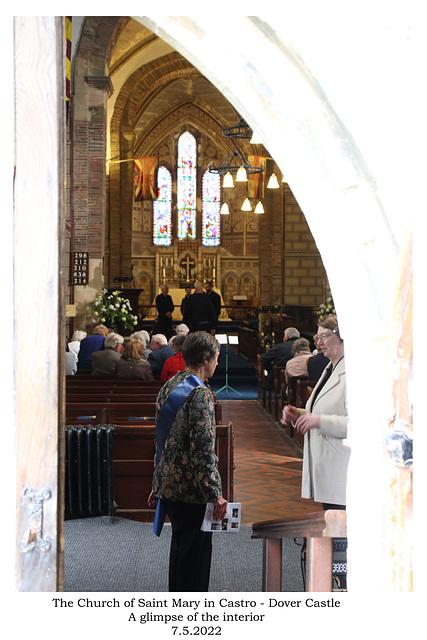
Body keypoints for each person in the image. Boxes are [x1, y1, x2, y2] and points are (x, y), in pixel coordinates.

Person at [148, 331, 227, 591]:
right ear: (205, 359)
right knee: (196, 559)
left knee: (181, 551)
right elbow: (203, 450)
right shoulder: (201, 394)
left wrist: (157, 482)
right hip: (192, 490)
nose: (217, 363)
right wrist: (215, 493)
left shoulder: (169, 386)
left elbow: (162, 441)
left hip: (170, 485)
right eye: (216, 358)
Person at [281, 315, 349, 510]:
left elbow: (359, 425)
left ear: (341, 335)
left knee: (340, 535)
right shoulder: (330, 368)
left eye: (324, 337)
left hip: (342, 473)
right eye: (317, 338)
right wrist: (300, 415)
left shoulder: (353, 374)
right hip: (327, 471)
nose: (319, 344)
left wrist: (318, 421)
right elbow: (320, 410)